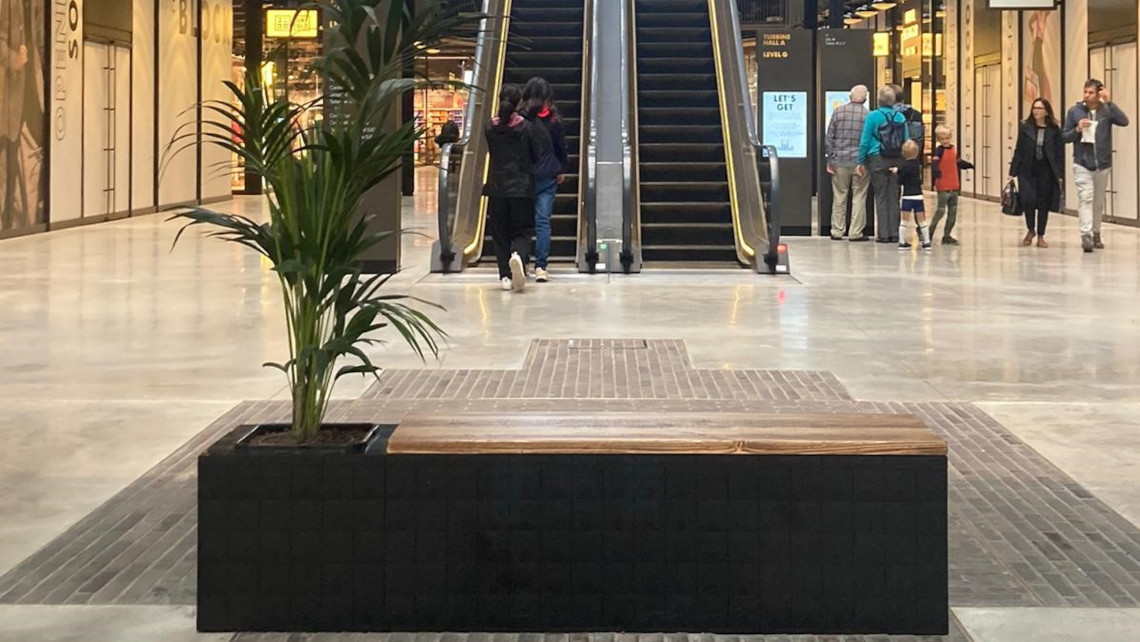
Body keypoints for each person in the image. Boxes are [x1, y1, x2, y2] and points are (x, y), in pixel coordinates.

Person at [483, 84, 550, 292]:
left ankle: (504, 276)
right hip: (521, 188)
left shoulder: (489, 127)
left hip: (497, 187)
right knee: (522, 231)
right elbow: (537, 154)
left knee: (500, 234)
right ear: (519, 102)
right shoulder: (526, 127)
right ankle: (518, 257)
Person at [1062, 78, 1129, 252]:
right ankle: (1086, 235)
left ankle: (1096, 231)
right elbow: (1064, 136)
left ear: (1099, 93)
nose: (1087, 95)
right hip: (1082, 163)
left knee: (1099, 201)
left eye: (1091, 92)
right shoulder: (1074, 111)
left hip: (1103, 163)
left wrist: (1109, 101)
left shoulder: (1106, 110)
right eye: (1085, 91)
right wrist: (1077, 129)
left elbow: (1124, 121)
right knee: (1085, 198)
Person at [521, 77, 568, 283]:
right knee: (542, 222)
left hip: (524, 176)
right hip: (548, 175)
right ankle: (541, 266)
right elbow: (561, 147)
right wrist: (562, 169)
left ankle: (522, 261)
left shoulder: (520, 120)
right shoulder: (555, 120)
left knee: (522, 222)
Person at [1009, 98, 1063, 248]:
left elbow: (1059, 154)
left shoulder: (1054, 130)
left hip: (1046, 170)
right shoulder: (1025, 127)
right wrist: (1012, 171)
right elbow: (1018, 150)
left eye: (1039, 108)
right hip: (1027, 170)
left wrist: (1059, 174)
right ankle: (1030, 229)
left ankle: (1041, 235)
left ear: (1046, 111)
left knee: (1043, 203)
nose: (1036, 111)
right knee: (1028, 200)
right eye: (1034, 108)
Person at [857, 85, 908, 244]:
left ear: (878, 100)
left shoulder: (873, 116)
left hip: (877, 158)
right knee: (894, 196)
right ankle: (895, 233)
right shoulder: (900, 117)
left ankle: (883, 234)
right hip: (896, 159)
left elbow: (865, 141)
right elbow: (906, 141)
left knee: (880, 196)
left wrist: (860, 160)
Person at [825, 84, 870, 242]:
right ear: (864, 99)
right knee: (859, 196)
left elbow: (829, 137)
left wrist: (830, 158)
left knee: (839, 196)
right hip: (860, 162)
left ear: (850, 97)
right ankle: (855, 232)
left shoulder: (838, 112)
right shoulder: (867, 115)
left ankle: (837, 230)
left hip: (840, 160)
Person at [930, 125, 974, 246]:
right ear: (939, 140)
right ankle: (929, 232)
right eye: (943, 139)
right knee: (940, 210)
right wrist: (936, 173)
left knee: (953, 212)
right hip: (943, 184)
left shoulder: (953, 149)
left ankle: (947, 235)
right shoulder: (939, 150)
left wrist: (968, 165)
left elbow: (957, 161)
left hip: (954, 184)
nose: (946, 141)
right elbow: (935, 163)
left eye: (947, 138)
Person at [892, 140, 931, 251]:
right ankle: (927, 242)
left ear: (903, 153)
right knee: (922, 220)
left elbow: (901, 180)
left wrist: (897, 173)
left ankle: (902, 241)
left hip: (907, 197)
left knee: (904, 221)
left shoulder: (903, 166)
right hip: (918, 196)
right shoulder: (917, 165)